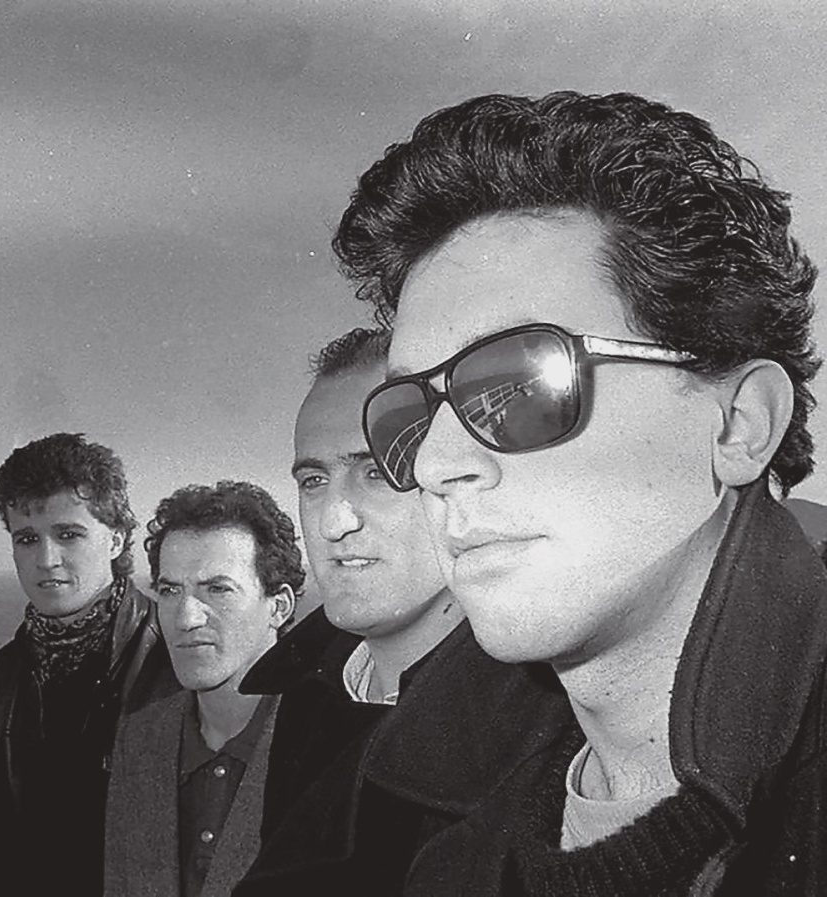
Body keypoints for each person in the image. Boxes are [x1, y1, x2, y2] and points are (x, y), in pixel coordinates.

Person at [332, 90, 827, 894]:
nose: (433, 463)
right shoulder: (424, 826)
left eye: (521, 382)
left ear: (739, 424)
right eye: (409, 414)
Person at [233, 327, 571, 896]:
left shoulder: (546, 732)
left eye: (377, 471)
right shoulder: (302, 695)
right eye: (314, 480)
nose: (333, 522)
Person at [0, 432, 171, 897]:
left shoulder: (173, 660)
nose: (46, 560)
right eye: (27, 539)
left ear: (116, 539)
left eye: (68, 534)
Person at [103, 480, 303, 897]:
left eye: (218, 589)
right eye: (170, 591)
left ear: (279, 606)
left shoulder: (330, 749)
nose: (186, 618)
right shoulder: (139, 740)